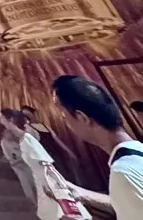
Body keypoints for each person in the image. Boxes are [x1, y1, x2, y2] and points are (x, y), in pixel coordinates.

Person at [53, 75, 143, 220]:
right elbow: (132, 200)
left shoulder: (123, 173)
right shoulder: (138, 152)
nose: (66, 123)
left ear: (82, 118)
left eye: (64, 117)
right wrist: (81, 193)